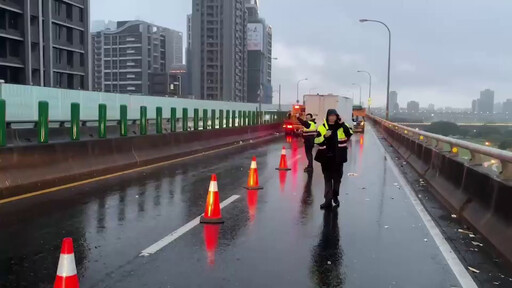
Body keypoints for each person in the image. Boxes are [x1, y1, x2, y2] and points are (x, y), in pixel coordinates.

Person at [314, 109, 353, 209]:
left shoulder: (342, 126)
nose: (332, 117)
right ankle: (327, 200)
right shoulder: (322, 127)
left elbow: (350, 133)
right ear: (327, 116)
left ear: (336, 116)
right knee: (327, 179)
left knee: (337, 179)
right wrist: (324, 136)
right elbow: (317, 140)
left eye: (334, 116)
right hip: (326, 158)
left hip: (338, 158)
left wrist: (343, 124)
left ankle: (335, 196)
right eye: (330, 116)